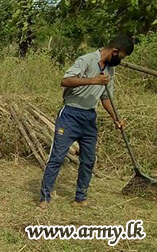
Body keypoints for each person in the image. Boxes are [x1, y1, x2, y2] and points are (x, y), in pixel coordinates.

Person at [39, 34, 133, 208]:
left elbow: (105, 97)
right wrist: (93, 80)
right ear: (114, 51)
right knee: (57, 157)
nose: (121, 60)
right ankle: (45, 198)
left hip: (89, 117)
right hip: (70, 114)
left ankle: (80, 198)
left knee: (88, 160)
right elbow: (65, 80)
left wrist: (116, 119)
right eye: (121, 56)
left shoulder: (109, 70)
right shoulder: (86, 60)